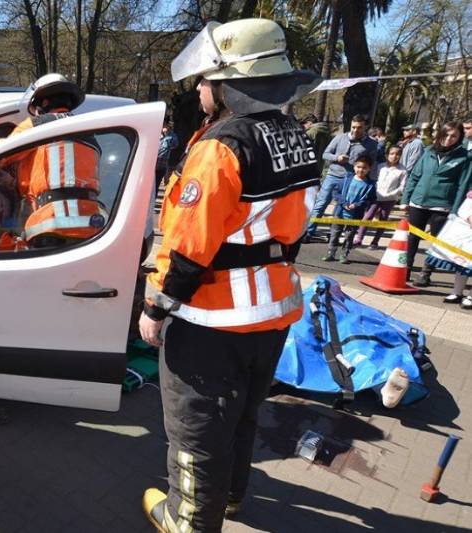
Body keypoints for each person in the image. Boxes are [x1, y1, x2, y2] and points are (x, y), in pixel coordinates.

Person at [139, 18, 321, 533]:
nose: (199, 89)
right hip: (273, 312)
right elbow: (293, 226)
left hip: (210, 318)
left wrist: (154, 309)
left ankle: (188, 519)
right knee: (242, 416)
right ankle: (231, 500)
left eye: (205, 80)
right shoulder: (296, 137)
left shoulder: (221, 147)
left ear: (229, 85)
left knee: (196, 430)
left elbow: (190, 249)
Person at [1, 73, 104, 248]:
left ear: (44, 103)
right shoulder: (89, 132)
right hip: (92, 225)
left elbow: (1, 155)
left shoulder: (37, 126)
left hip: (51, 225)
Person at [402, 121, 472, 287]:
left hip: (442, 205)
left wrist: (455, 210)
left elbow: (463, 185)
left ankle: (426, 273)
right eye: (446, 134)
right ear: (440, 134)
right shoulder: (428, 151)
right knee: (412, 237)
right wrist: (405, 199)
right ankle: (405, 268)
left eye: (454, 136)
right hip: (418, 201)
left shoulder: (464, 157)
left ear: (459, 137)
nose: (449, 139)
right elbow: (414, 176)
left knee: (436, 241)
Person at [304, 114, 378, 241]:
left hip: (351, 180)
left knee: (343, 208)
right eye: (353, 127)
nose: (356, 130)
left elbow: (372, 163)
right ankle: (308, 232)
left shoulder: (371, 144)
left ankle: (335, 236)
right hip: (333, 176)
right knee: (320, 204)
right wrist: (336, 158)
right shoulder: (340, 138)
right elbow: (325, 154)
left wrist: (370, 181)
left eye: (359, 127)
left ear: (365, 127)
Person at [323, 155, 375, 263]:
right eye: (358, 167)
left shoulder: (370, 185)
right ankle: (330, 253)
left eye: (364, 168)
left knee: (349, 236)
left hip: (355, 215)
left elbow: (370, 200)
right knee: (334, 233)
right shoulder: (346, 178)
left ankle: (344, 255)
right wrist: (343, 203)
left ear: (369, 169)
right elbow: (336, 192)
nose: (361, 170)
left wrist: (358, 205)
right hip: (340, 212)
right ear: (354, 166)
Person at [353, 145, 407, 248]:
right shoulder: (380, 166)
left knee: (383, 219)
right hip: (376, 196)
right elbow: (374, 180)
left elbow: (402, 187)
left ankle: (375, 242)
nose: (394, 156)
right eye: (392, 154)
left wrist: (392, 194)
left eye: (397, 154)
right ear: (387, 155)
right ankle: (359, 238)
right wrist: (373, 192)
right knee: (368, 216)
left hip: (390, 199)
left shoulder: (402, 170)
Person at [156, 125, 178, 196]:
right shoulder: (155, 132)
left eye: (167, 126)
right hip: (151, 164)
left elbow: (175, 145)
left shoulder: (172, 136)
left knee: (156, 185)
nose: (165, 127)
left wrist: (167, 135)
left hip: (161, 165)